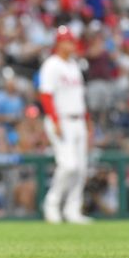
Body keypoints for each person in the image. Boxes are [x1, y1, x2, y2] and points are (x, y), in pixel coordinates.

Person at [38, 26, 92, 224]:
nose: (72, 44)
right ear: (60, 43)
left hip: (78, 120)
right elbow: (45, 95)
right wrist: (54, 120)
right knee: (68, 166)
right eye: (68, 41)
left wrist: (88, 122)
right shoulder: (52, 64)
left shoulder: (73, 65)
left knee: (81, 169)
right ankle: (51, 204)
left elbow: (80, 97)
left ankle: (72, 210)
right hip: (61, 120)